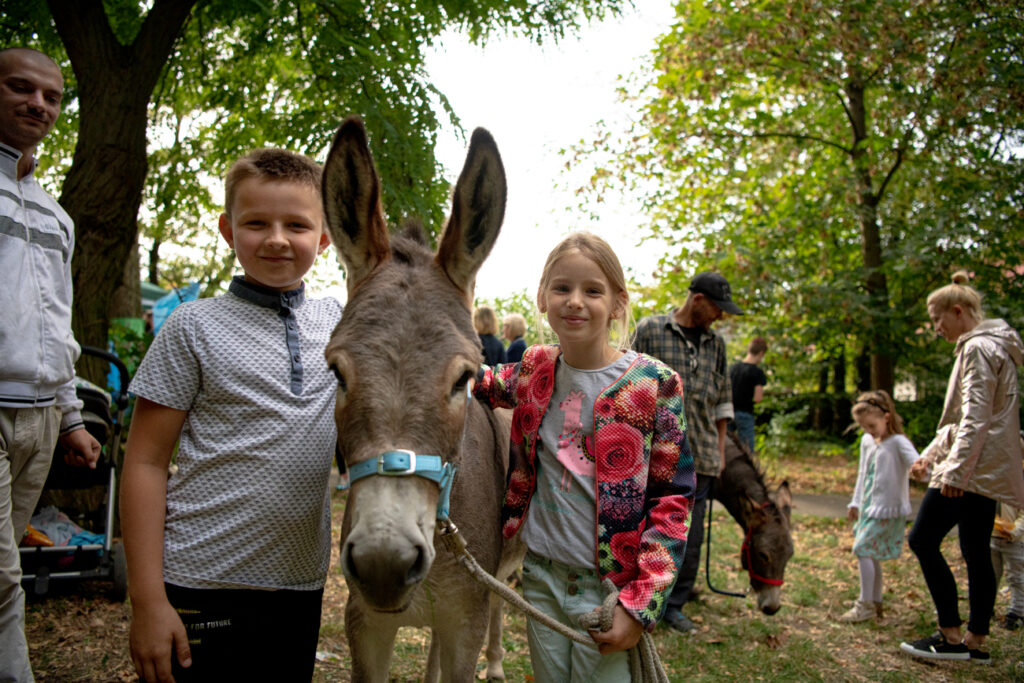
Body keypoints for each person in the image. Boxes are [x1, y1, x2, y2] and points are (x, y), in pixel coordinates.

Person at [120, 148, 342, 682]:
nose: (277, 239)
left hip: (298, 584)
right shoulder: (192, 326)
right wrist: (147, 600)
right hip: (199, 579)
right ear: (228, 230)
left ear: (325, 238)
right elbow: (146, 463)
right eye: (256, 223)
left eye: (296, 225)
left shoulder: (341, 325)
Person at [474, 232, 695, 682]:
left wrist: (641, 605)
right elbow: (479, 381)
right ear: (543, 297)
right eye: (562, 288)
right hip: (541, 577)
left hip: (610, 590)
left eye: (592, 290)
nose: (575, 301)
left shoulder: (654, 385)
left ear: (617, 303)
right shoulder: (534, 369)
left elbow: (673, 501)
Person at [0, 47, 102, 682]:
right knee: (2, 574)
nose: (38, 104)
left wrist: (72, 418)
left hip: (39, 421)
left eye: (53, 97)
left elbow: (56, 325)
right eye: (20, 88)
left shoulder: (55, 216)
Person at [900, 271, 1024, 664]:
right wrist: (930, 455)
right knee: (975, 550)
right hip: (982, 469)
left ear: (958, 311)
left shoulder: (978, 348)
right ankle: (976, 641)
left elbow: (975, 419)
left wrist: (953, 473)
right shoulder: (992, 346)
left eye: (937, 319)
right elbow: (963, 421)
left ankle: (951, 636)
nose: (936, 328)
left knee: (922, 539)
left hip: (971, 470)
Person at [633, 271, 742, 634]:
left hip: (702, 456)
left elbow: (723, 400)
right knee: (647, 527)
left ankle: (675, 605)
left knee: (690, 538)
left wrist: (720, 452)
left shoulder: (717, 344)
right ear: (697, 300)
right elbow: (627, 382)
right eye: (717, 308)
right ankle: (642, 597)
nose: (720, 316)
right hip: (654, 454)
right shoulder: (650, 330)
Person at [838, 390, 919, 623]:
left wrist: (922, 470)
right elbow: (863, 473)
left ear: (886, 417)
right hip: (867, 508)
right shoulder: (867, 441)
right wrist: (855, 501)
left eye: (872, 425)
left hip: (886, 510)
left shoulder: (898, 442)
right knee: (870, 553)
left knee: (862, 549)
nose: (868, 431)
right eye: (864, 427)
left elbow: (917, 465)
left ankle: (865, 605)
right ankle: (874, 601)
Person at [991, 491, 1024, 631]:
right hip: (991, 537)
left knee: (1016, 577)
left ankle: (1017, 613)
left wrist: (1014, 531)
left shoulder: (1018, 486)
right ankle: (986, 608)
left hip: (1014, 540)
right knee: (991, 575)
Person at [729, 337, 768, 452]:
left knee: (727, 447)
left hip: (728, 413)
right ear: (761, 353)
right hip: (745, 413)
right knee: (747, 449)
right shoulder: (758, 373)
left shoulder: (733, 368)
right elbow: (758, 398)